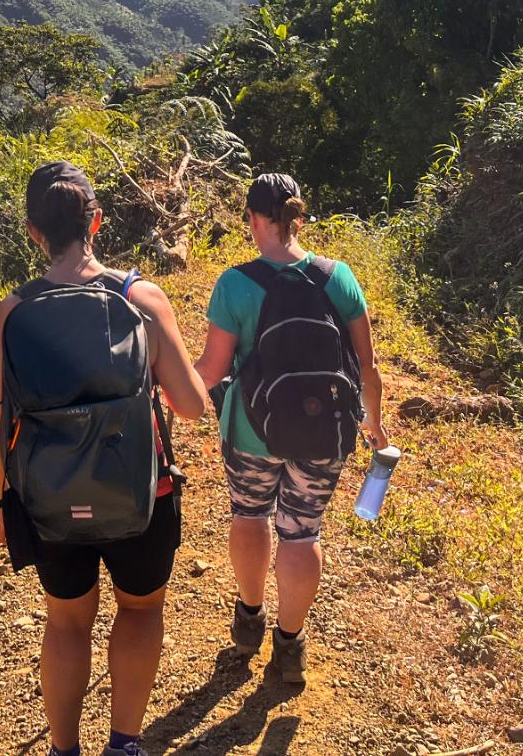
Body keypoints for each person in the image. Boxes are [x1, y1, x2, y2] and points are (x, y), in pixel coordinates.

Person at [0, 161, 209, 756]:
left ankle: (64, 749)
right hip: (140, 492)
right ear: (98, 222)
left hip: (50, 496)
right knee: (139, 611)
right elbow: (189, 406)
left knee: (65, 622)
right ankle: (124, 744)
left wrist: (9, 497)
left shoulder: (14, 311)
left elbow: (0, 419)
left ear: (34, 231)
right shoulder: (142, 298)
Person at [193, 173, 387, 686]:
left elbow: (210, 373)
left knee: (250, 515)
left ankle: (249, 618)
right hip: (324, 434)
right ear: (298, 218)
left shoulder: (236, 284)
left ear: (255, 220)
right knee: (302, 534)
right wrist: (376, 427)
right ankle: (289, 645)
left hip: (252, 434)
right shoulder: (338, 277)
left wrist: (165, 382)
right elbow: (367, 367)